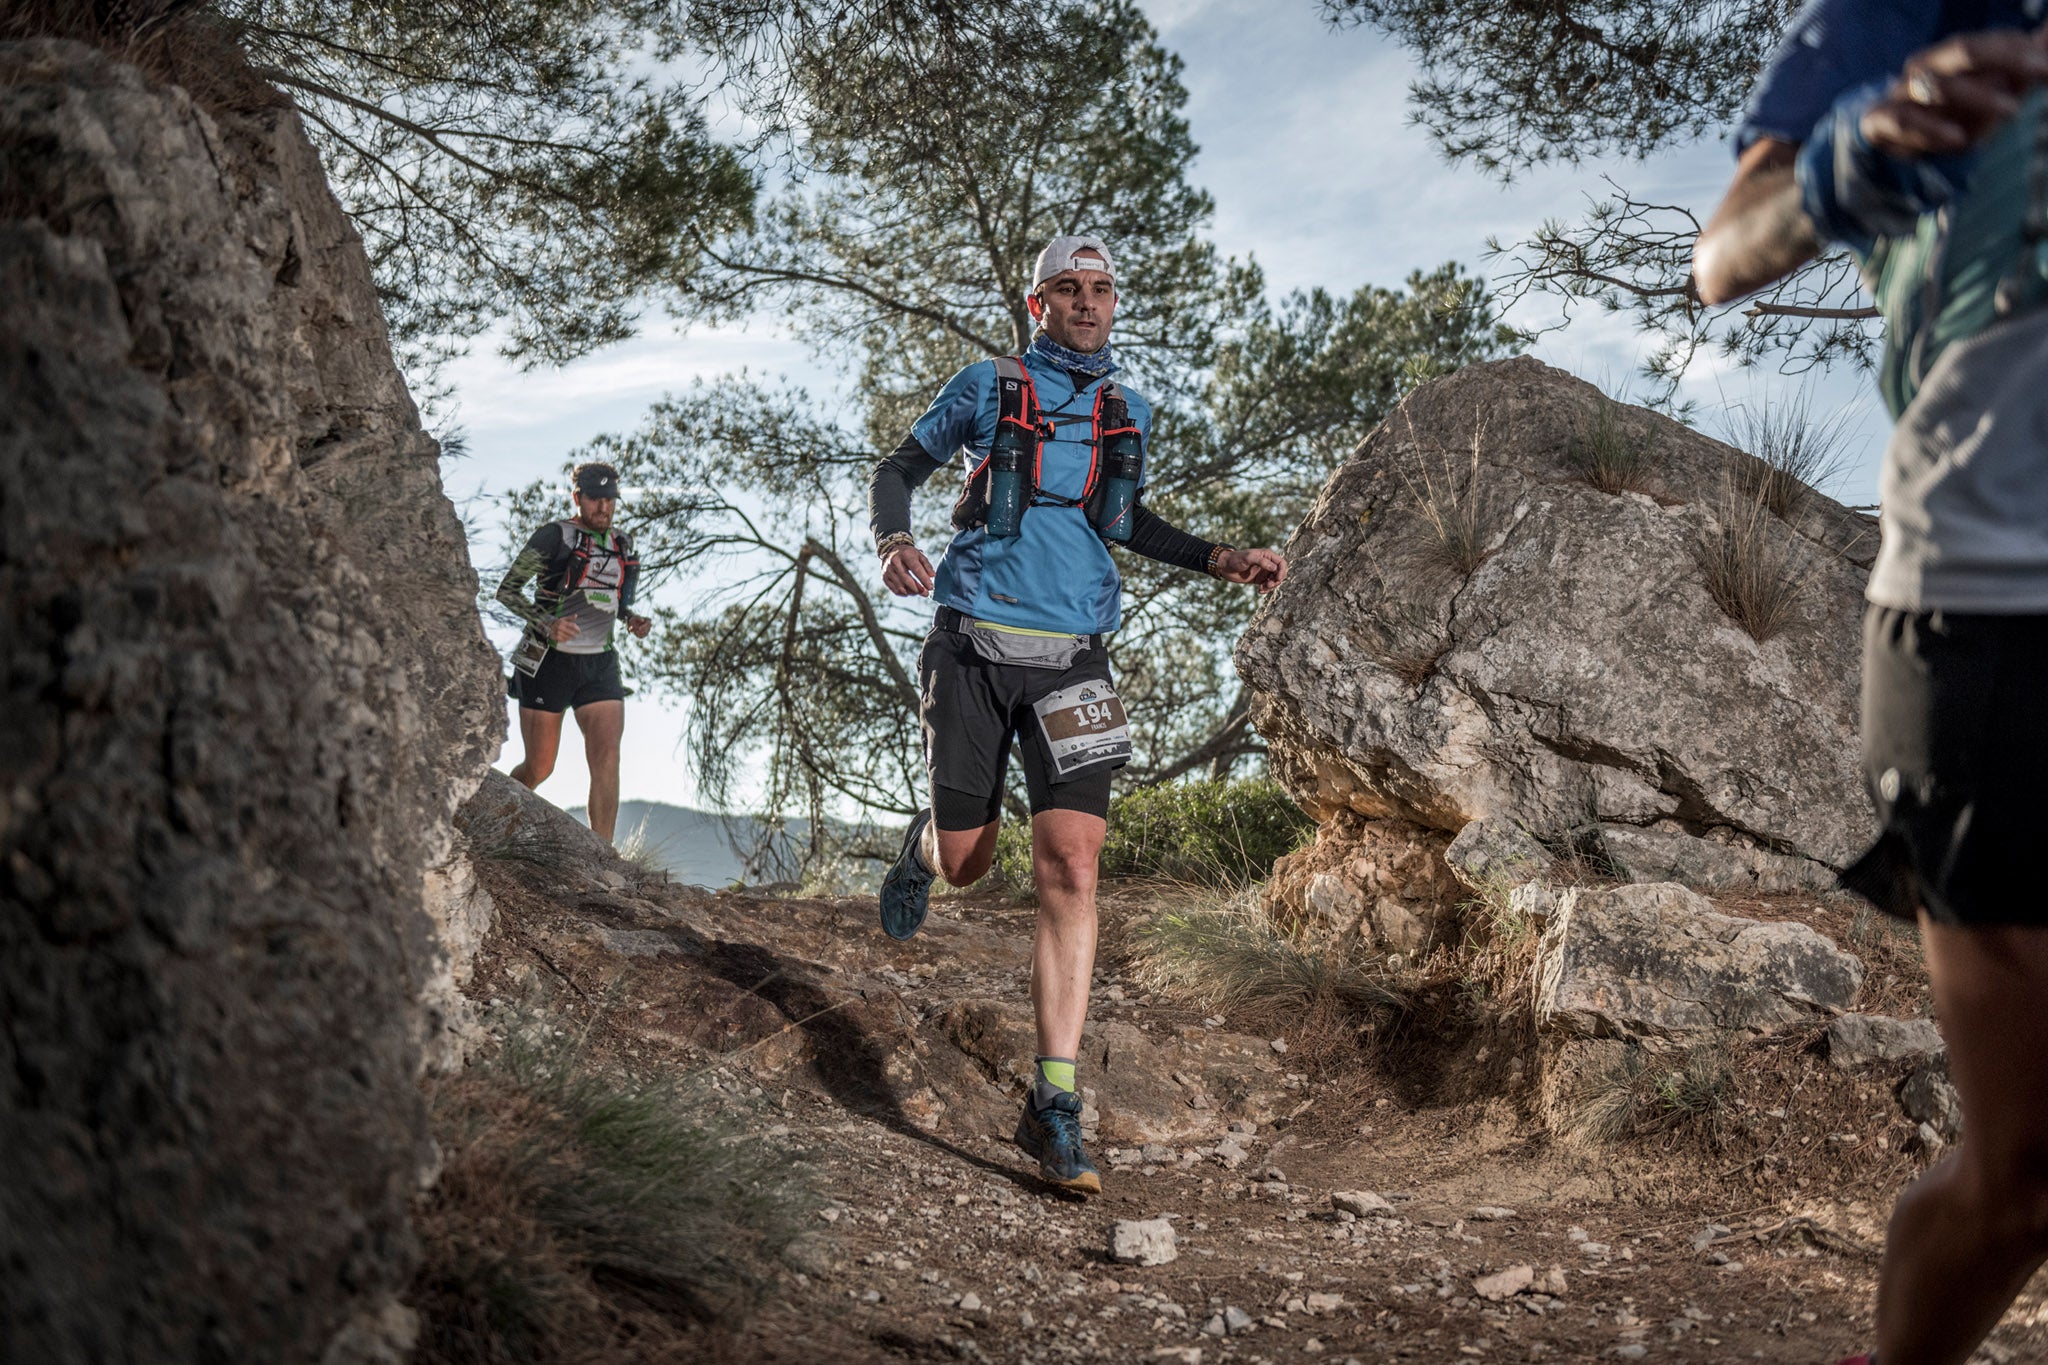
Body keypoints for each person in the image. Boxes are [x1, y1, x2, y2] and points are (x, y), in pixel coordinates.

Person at [1695, 6, 2048, 1363]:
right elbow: (1726, 251)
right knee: (2026, 1179)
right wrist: (1865, 148)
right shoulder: (1906, 9)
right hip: (1990, 609)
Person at [867, 235, 1288, 1194]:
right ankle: (925, 843)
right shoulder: (986, 384)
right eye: (1071, 289)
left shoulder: (1126, 411)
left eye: (1103, 288)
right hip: (973, 646)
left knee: (1073, 865)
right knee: (970, 864)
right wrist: (894, 537)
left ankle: (1054, 1103)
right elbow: (899, 467)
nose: (1091, 303)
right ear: (1037, 302)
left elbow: (1122, 521)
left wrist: (1220, 556)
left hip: (1077, 663)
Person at [496, 461, 650, 843]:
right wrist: (546, 622)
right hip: (547, 661)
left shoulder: (622, 544)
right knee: (540, 766)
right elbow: (508, 590)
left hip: (600, 663)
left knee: (607, 759)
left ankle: (603, 856)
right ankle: (495, 827)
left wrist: (632, 619)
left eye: (610, 500)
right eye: (595, 499)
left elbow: (618, 599)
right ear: (577, 497)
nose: (604, 508)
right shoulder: (553, 536)